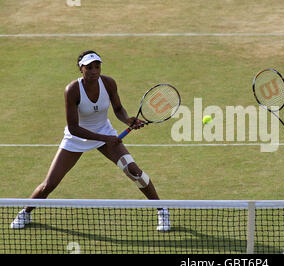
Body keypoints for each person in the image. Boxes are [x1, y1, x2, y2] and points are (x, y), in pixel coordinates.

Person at [11, 50, 170, 231]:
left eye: (97, 66)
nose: (94, 70)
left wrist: (127, 119)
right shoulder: (72, 90)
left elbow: (118, 108)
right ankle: (25, 213)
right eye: (89, 67)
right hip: (77, 137)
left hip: (105, 132)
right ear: (81, 69)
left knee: (134, 171)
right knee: (50, 184)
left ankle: (162, 209)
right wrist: (105, 139)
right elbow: (74, 128)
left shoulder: (108, 83)